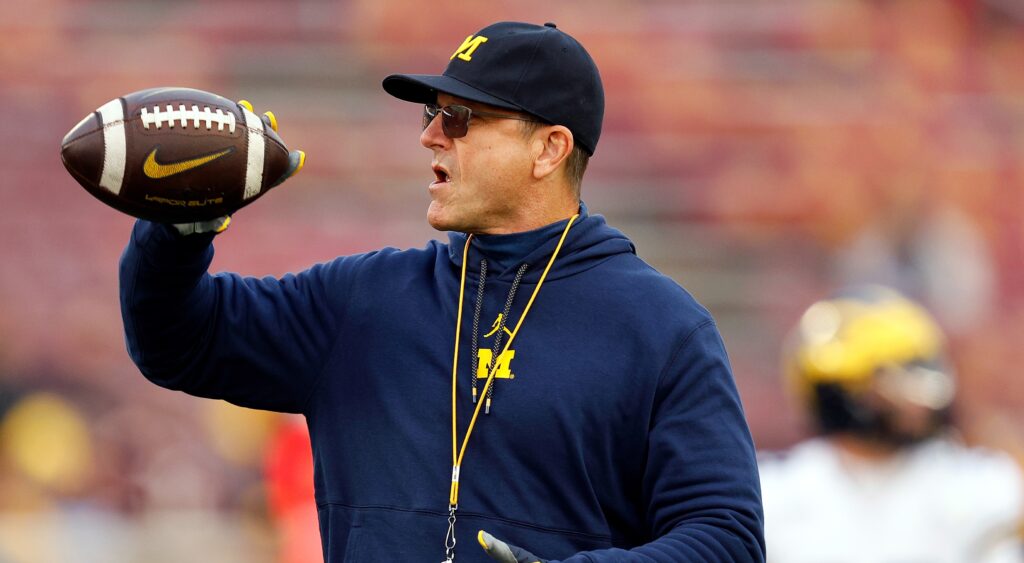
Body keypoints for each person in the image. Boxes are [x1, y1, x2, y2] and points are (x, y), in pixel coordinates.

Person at [119, 21, 765, 562]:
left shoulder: (662, 326)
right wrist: (177, 229)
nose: (430, 135)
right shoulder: (362, 301)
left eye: (460, 118)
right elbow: (177, 340)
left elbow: (727, 538)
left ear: (549, 149)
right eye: (434, 114)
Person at [759, 285, 1024, 563]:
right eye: (892, 380)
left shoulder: (979, 484)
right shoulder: (775, 493)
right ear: (841, 392)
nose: (919, 399)